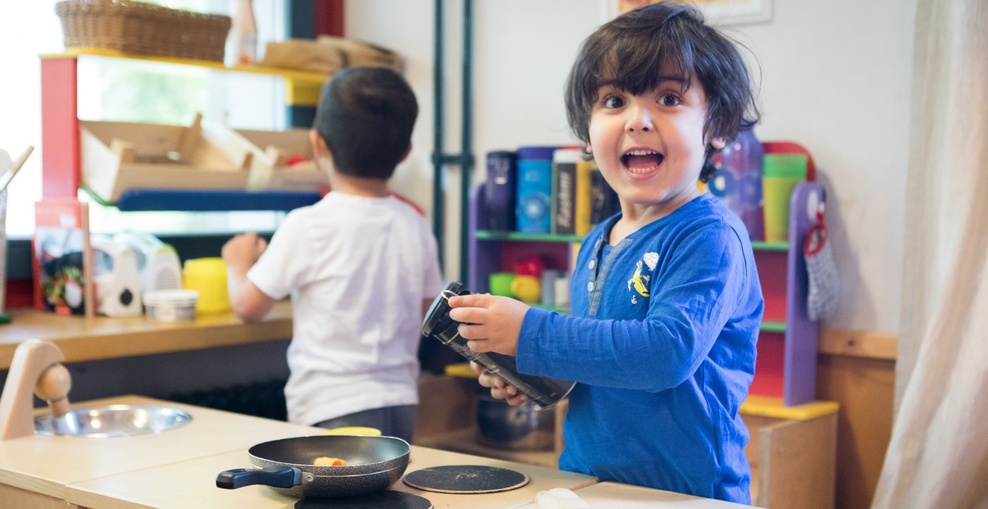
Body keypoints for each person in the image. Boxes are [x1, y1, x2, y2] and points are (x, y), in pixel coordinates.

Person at [448, 2, 763, 503]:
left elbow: (665, 354)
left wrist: (531, 331)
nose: (638, 119)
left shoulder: (710, 236)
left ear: (716, 125)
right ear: (586, 135)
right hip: (590, 483)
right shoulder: (596, 241)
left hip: (690, 494)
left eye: (668, 97)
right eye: (614, 100)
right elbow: (600, 358)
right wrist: (532, 373)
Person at [222, 67, 443, 443]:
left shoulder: (307, 224)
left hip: (330, 406)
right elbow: (428, 311)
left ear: (317, 144)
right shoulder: (415, 223)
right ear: (405, 153)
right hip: (400, 401)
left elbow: (249, 307)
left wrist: (237, 264)